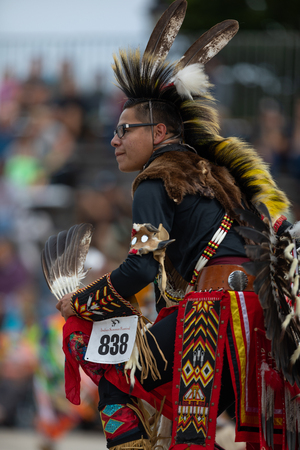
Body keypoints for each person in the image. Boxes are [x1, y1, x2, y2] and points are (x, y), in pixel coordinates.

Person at [54, 1, 300, 449]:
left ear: (160, 133)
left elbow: (140, 267)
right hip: (260, 321)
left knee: (99, 354)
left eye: (126, 129)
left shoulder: (155, 180)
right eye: (114, 129)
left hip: (214, 311)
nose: (114, 139)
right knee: (193, 433)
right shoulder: (215, 175)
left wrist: (82, 302)